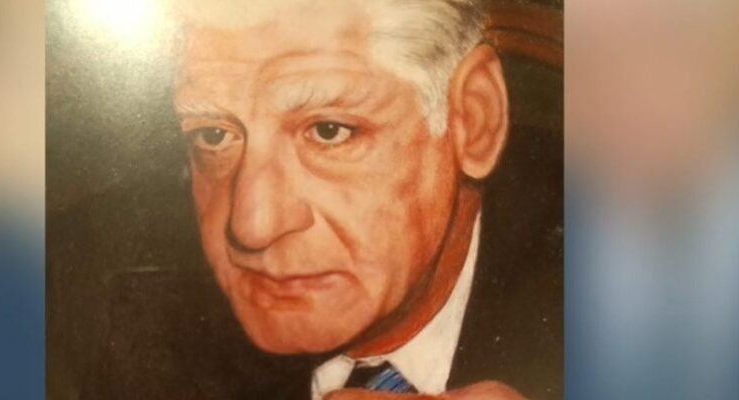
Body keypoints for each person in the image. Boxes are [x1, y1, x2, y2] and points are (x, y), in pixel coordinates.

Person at [85, 1, 562, 399]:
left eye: (329, 131)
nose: (252, 225)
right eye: (213, 135)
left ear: (472, 121)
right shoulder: (112, 313)